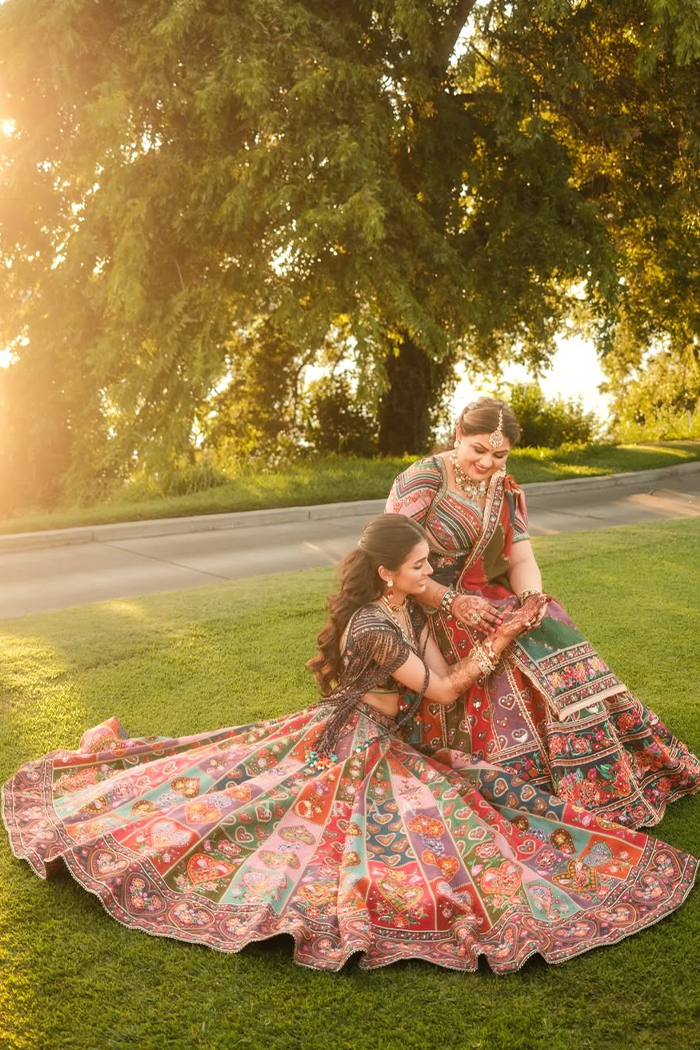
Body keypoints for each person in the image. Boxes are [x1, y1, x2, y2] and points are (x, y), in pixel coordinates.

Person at [2, 515, 696, 972]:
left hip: (377, 735)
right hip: (355, 745)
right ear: (389, 571)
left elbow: (443, 670)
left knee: (468, 807)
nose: (433, 576)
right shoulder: (374, 626)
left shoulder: (405, 606)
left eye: (432, 564)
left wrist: (489, 615)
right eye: (422, 566)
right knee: (270, 818)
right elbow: (445, 691)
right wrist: (503, 636)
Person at [386, 397, 700, 828]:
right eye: (478, 449)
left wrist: (532, 598)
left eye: (499, 454)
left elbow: (520, 559)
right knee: (511, 649)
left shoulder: (505, 487)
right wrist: (451, 601)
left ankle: (602, 767)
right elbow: (390, 560)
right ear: (457, 434)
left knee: (546, 624)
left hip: (483, 597)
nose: (487, 463)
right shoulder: (422, 480)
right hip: (424, 603)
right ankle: (530, 768)